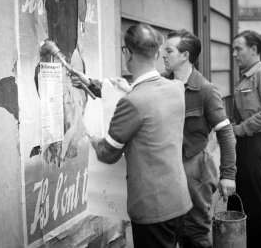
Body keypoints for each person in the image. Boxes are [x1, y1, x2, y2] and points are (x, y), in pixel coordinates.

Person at [86, 24, 192, 248]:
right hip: (179, 199)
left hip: (152, 208)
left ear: (127, 54)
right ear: (156, 53)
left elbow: (108, 153)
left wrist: (92, 139)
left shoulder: (132, 102)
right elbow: (151, 108)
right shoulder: (177, 89)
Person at [162, 29, 237, 248]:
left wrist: (228, 175)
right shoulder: (162, 85)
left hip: (195, 171)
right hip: (167, 169)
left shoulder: (205, 90)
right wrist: (96, 87)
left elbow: (226, 133)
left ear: (185, 55)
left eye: (169, 50)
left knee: (195, 233)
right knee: (170, 230)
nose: (163, 55)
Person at [230, 30, 261, 248]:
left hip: (257, 145)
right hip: (243, 146)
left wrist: (241, 129)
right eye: (233, 49)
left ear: (254, 49)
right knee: (241, 201)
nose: (234, 53)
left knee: (258, 205)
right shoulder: (245, 76)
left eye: (238, 48)